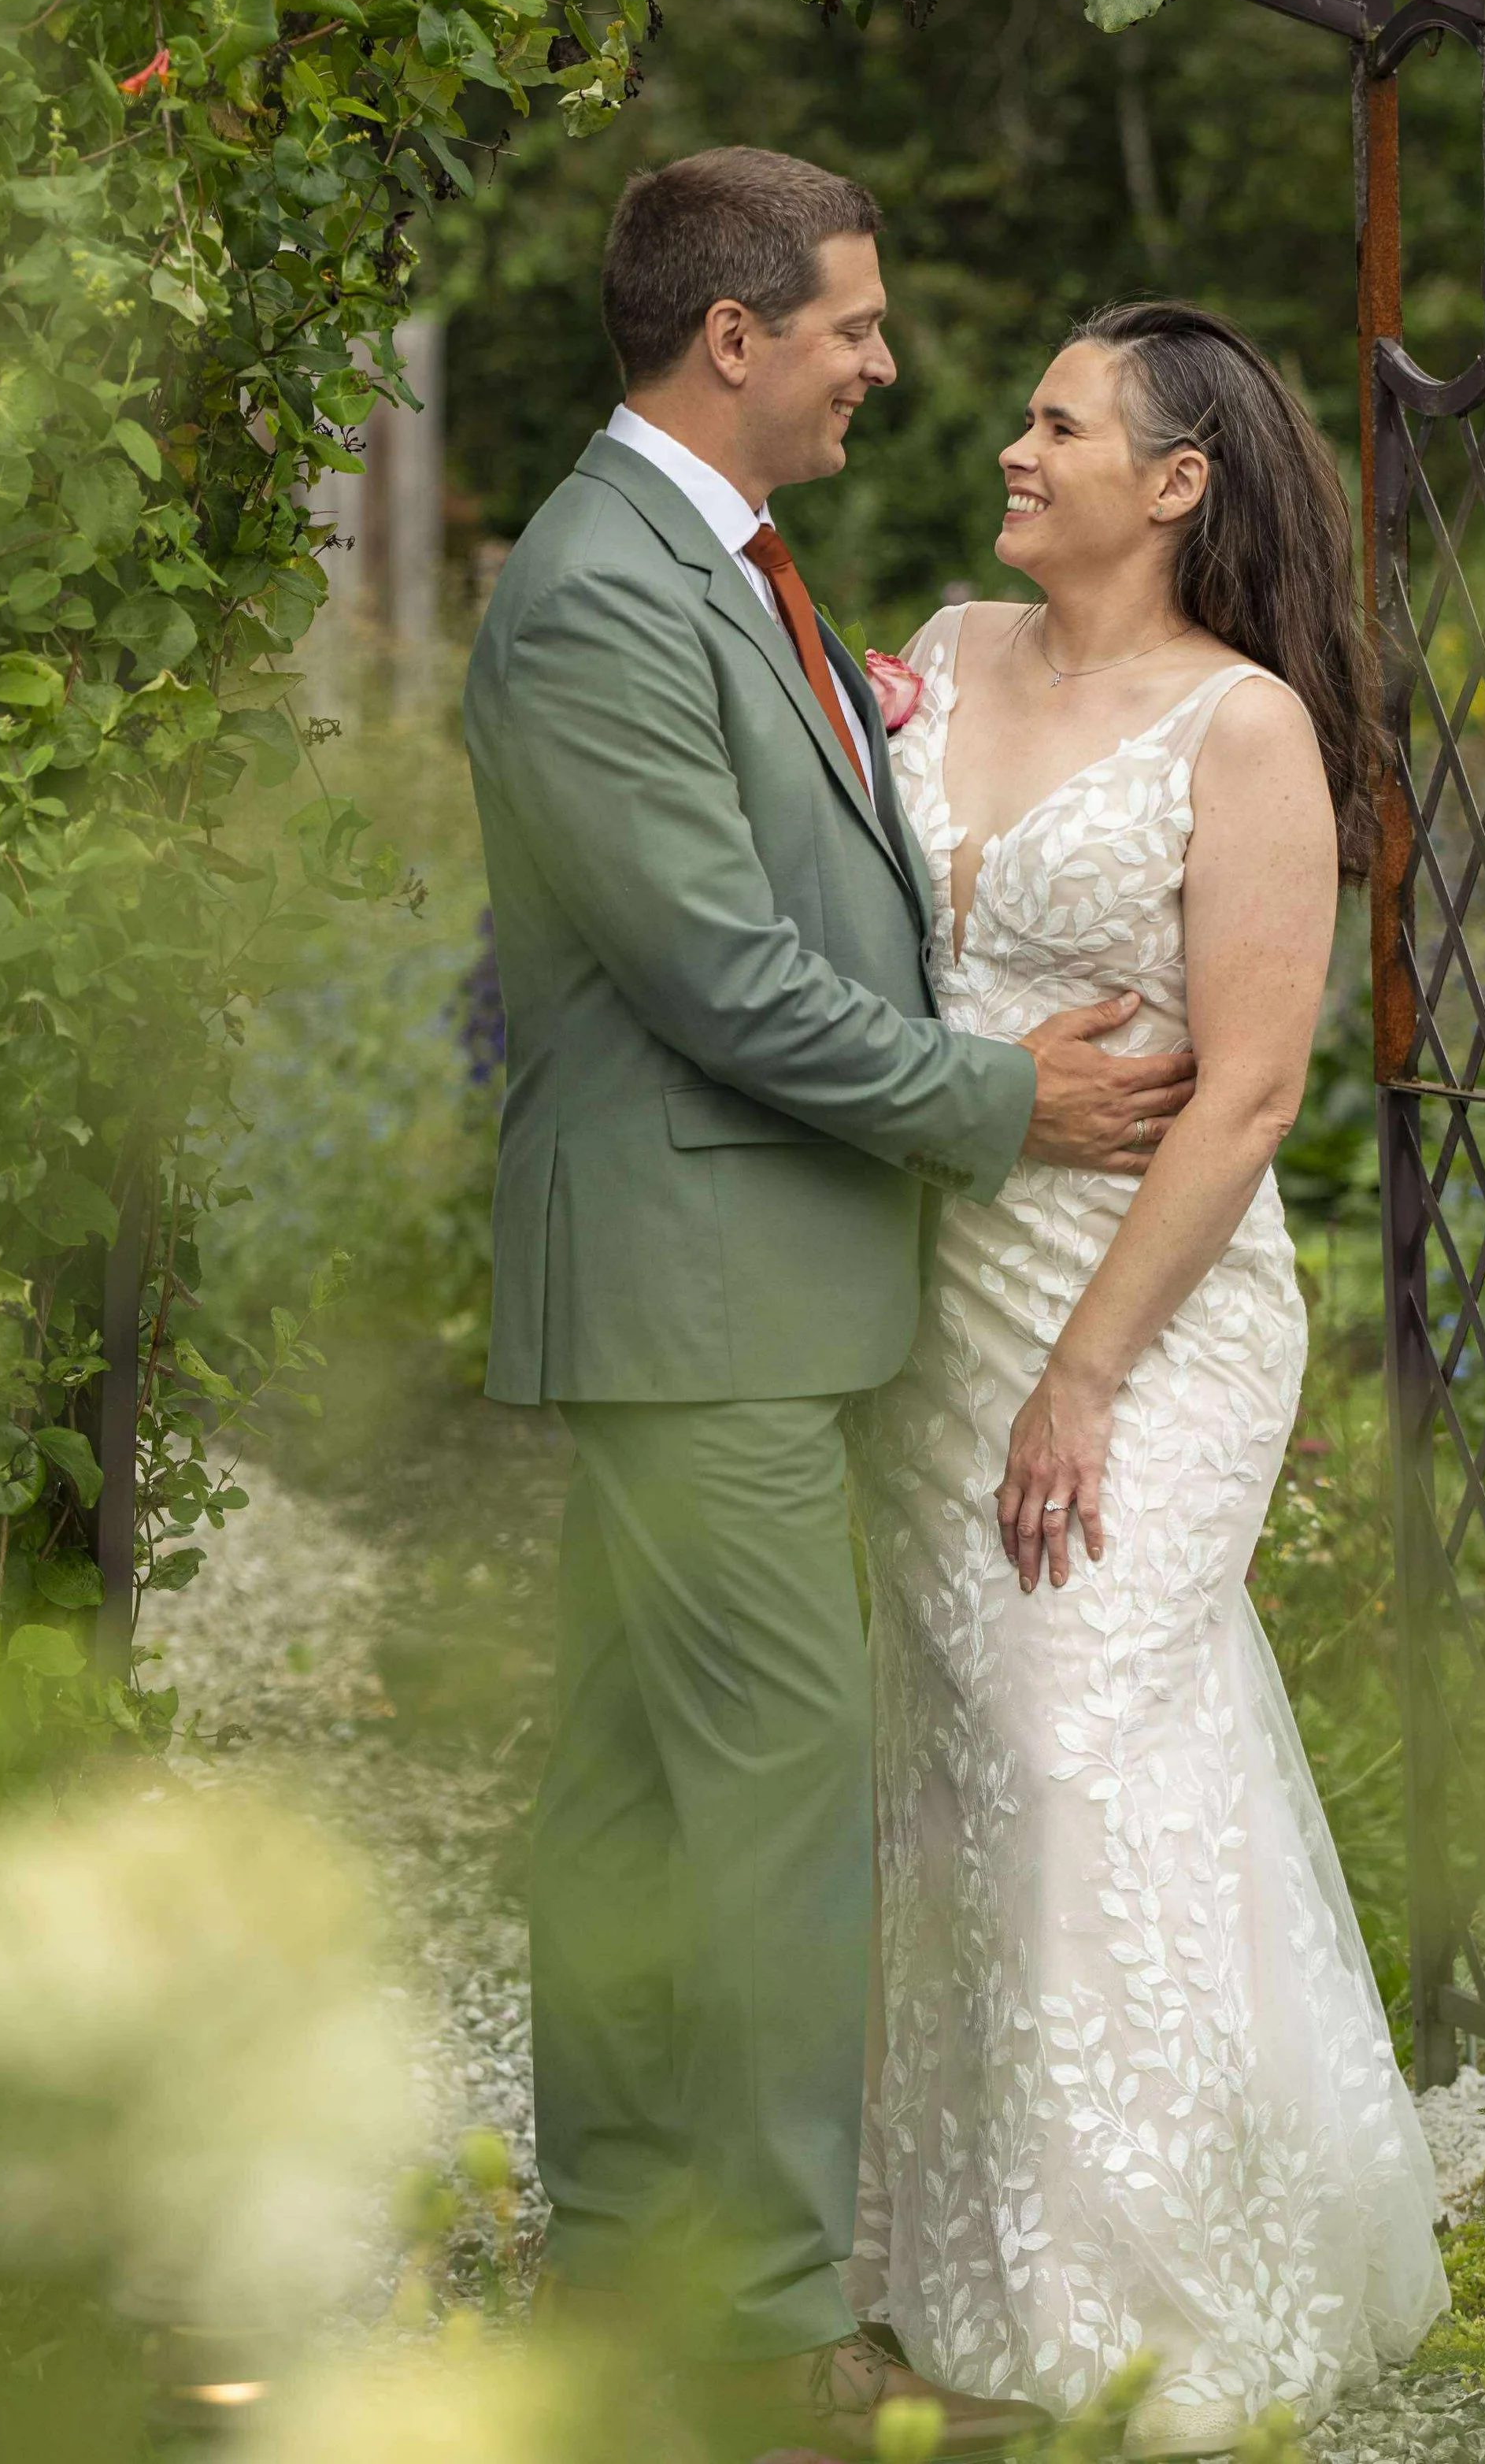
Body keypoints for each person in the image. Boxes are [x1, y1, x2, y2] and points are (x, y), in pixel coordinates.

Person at [462, 151, 1198, 2459]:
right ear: (736, 338)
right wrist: (994, 1103)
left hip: (733, 1286)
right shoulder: (599, 590)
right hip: (701, 1287)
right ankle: (774, 2329)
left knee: (635, 1794)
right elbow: (716, 977)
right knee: (773, 1798)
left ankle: (620, 2261)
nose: (892, 363)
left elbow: (795, 877)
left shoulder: (723, 568)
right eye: (857, 326)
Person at [844, 302, 1450, 2453]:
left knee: (1074, 1735)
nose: (1009, 445)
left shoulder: (1245, 731)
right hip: (926, 1294)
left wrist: (1082, 1378)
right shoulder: (931, 647)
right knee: (954, 1760)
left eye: (1055, 421)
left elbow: (1253, 1086)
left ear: (1176, 482)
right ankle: (950, 2264)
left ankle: (1153, 2289)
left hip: (1145, 1314)